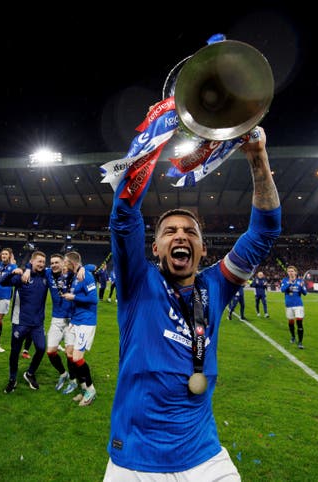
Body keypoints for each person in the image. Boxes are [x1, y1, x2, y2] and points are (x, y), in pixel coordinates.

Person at [104, 126, 281, 479]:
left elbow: (264, 232)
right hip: (134, 462)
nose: (180, 235)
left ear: (203, 249)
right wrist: (151, 145)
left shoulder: (216, 285)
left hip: (204, 457)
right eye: (169, 232)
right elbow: (124, 217)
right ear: (155, 249)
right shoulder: (138, 281)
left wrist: (257, 156)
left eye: (190, 232)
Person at [0, 250, 48, 394]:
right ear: (32, 261)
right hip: (20, 322)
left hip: (37, 323)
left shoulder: (46, 275)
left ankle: (30, 373)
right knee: (15, 352)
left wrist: (82, 268)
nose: (41, 264)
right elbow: (2, 282)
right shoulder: (21, 277)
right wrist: (15, 272)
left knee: (41, 348)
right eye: (39, 261)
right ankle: (12, 379)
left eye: (43, 262)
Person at [60, 251, 98, 406]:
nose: (63, 264)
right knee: (69, 353)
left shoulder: (86, 275)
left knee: (77, 357)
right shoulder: (76, 275)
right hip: (76, 321)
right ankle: (83, 388)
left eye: (65, 262)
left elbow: (93, 299)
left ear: (72, 263)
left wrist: (73, 297)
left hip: (86, 322)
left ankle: (91, 389)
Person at [44, 253, 74, 392]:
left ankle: (73, 381)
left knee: (70, 354)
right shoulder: (49, 274)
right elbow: (32, 266)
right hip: (56, 319)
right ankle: (63, 373)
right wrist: (25, 269)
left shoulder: (72, 275)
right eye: (52, 263)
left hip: (71, 320)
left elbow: (88, 267)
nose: (54, 265)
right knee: (50, 352)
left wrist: (83, 270)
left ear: (63, 263)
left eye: (57, 262)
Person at [281, 266, 307, 349]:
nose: (290, 273)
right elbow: (282, 290)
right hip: (289, 305)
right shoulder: (285, 280)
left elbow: (305, 293)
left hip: (298, 305)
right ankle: (293, 336)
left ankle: (300, 342)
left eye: (292, 271)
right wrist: (289, 283)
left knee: (299, 322)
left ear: (295, 272)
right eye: (289, 271)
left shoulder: (300, 281)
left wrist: (301, 286)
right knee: (291, 322)